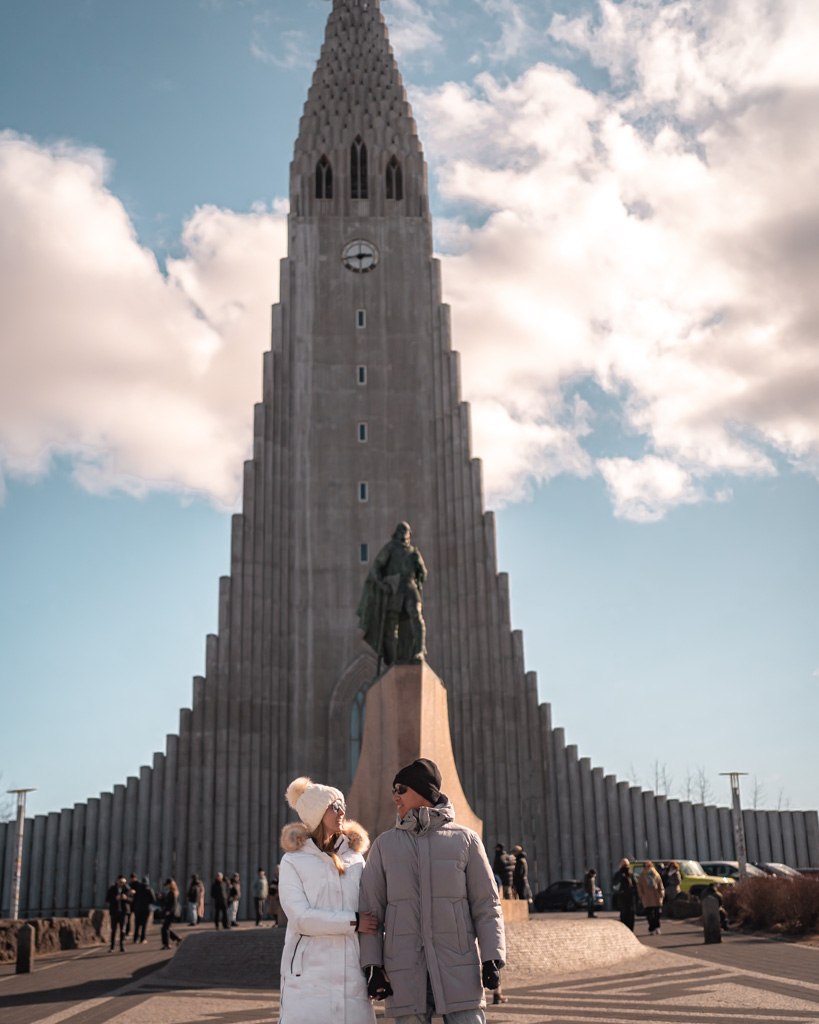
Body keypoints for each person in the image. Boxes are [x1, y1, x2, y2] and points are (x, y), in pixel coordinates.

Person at [359, 757, 506, 1022]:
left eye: (401, 789)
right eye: (393, 790)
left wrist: (493, 957)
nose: (395, 797)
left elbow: (487, 905)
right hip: (403, 970)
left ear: (424, 792)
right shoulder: (384, 846)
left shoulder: (466, 840)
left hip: (458, 967)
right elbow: (370, 912)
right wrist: (372, 966)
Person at [278, 776, 376, 1023]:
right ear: (316, 813)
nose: (342, 811)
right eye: (334, 806)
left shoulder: (356, 859)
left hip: (351, 976)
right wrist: (353, 921)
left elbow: (370, 912)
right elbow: (300, 918)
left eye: (343, 805)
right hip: (308, 977)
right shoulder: (293, 861)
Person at [357, 522, 428, 666]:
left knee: (416, 616)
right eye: (400, 530)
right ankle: (394, 659)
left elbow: (424, 574)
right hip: (395, 588)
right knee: (392, 625)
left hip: (410, 587)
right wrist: (382, 584)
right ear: (396, 533)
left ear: (410, 534)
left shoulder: (414, 553)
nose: (403, 533)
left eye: (406, 530)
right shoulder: (390, 548)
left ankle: (419, 651)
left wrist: (420, 566)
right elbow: (376, 567)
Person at [637, 860, 665, 936]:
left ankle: (657, 926)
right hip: (647, 897)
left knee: (658, 913)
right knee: (649, 914)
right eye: (646, 866)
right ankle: (651, 928)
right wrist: (641, 895)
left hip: (656, 896)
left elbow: (660, 885)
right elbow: (639, 886)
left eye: (649, 866)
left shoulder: (656, 875)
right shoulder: (642, 876)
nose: (648, 867)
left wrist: (661, 893)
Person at [106, 876, 132, 952]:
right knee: (113, 930)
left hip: (123, 912)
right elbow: (107, 899)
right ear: (117, 881)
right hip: (114, 912)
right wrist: (115, 898)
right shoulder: (112, 889)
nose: (121, 883)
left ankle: (122, 946)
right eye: (120, 882)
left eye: (123, 882)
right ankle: (112, 947)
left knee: (122, 930)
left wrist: (126, 898)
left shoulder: (126, 889)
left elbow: (132, 899)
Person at [132, 875, 156, 943]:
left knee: (137, 924)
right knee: (144, 925)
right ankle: (143, 938)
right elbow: (153, 900)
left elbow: (134, 899)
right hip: (146, 909)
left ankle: (135, 938)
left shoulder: (137, 889)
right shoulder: (149, 889)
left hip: (138, 908)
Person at [161, 878, 183, 950]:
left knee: (165, 928)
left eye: (167, 885)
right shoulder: (173, 892)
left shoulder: (173, 893)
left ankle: (167, 944)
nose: (166, 886)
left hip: (171, 913)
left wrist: (169, 911)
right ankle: (177, 938)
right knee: (166, 928)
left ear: (170, 885)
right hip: (171, 912)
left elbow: (173, 904)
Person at [618, 859, 635, 932]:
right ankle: (630, 930)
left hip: (625, 897)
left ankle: (626, 930)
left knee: (625, 914)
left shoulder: (619, 874)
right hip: (629, 897)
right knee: (629, 915)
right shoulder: (631, 875)